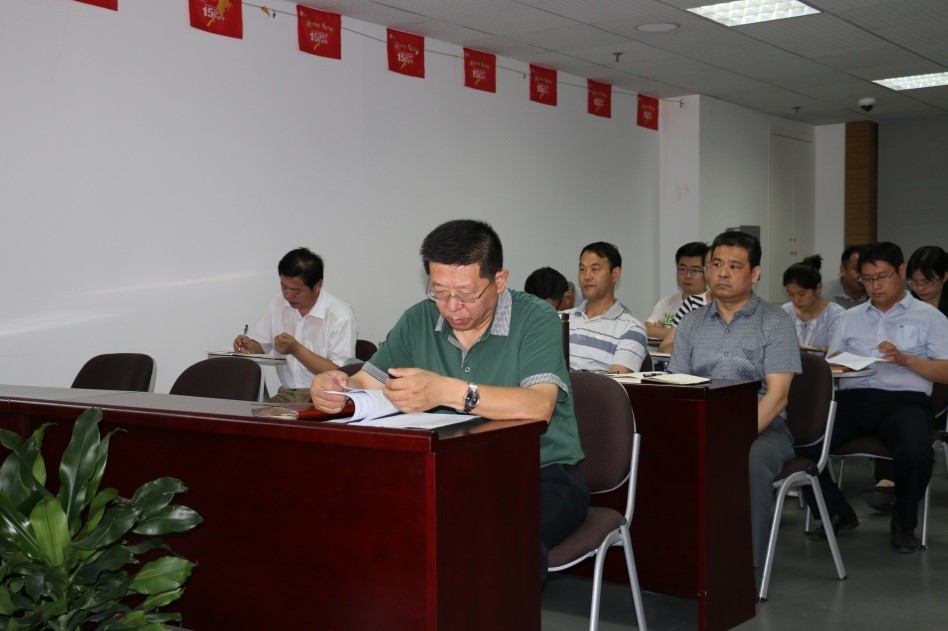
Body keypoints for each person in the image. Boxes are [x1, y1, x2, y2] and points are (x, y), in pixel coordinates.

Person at [309, 219, 588, 581]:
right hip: (452, 473)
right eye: (439, 292)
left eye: (466, 294)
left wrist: (446, 391)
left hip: (541, 474)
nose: (452, 306)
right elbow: (367, 382)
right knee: (371, 519)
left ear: (499, 280)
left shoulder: (536, 318)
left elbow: (538, 406)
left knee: (502, 539)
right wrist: (336, 387)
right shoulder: (418, 320)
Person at [799, 242, 948, 553]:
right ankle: (835, 512)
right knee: (801, 443)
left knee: (916, 453)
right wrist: (836, 367)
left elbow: (945, 372)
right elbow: (832, 364)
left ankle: (903, 524)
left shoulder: (930, 317)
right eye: (867, 279)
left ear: (902, 271)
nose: (875, 286)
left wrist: (906, 360)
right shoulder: (848, 318)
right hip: (853, 399)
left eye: (882, 277)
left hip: (905, 402)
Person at [668, 231, 800, 568]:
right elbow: (677, 386)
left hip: (762, 427)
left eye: (734, 266)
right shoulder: (691, 323)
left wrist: (734, 437)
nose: (722, 273)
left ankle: (743, 570)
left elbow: (778, 396)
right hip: (703, 422)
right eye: (716, 265)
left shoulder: (775, 322)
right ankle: (675, 561)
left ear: (754, 273)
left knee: (750, 461)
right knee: (660, 453)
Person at [862, 245, 948, 513]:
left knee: (906, 412)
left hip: (938, 384)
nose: (920, 288)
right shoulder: (895, 305)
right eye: (915, 282)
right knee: (890, 403)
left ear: (945, 277)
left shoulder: (934, 315)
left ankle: (894, 481)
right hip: (905, 380)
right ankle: (888, 478)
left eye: (927, 282)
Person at [233, 247, 357, 403]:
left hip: (326, 396)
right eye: (283, 287)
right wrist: (248, 346)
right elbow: (260, 347)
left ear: (317, 285)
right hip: (287, 395)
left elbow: (341, 374)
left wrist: (296, 350)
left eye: (296, 291)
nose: (288, 295)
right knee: (251, 415)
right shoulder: (278, 304)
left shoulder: (340, 315)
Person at [565, 242, 647, 373]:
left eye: (595, 269)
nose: (587, 276)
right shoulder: (561, 319)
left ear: (615, 274)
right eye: (582, 269)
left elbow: (616, 382)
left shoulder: (631, 329)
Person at [645, 242, 709, 341]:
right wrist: (682, 333)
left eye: (695, 270)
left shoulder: (712, 304)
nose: (688, 276)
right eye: (682, 269)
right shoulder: (666, 303)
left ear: (707, 272)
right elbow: (647, 330)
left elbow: (702, 336)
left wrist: (662, 332)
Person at [781, 255, 845, 351]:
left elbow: (834, 353)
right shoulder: (785, 312)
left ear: (818, 288)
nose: (796, 300)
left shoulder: (835, 315)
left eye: (801, 294)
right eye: (790, 294)